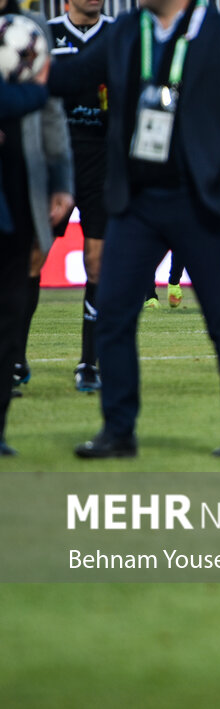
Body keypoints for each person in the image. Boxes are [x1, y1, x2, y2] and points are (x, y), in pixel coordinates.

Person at [48, 0, 220, 457]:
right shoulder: (127, 32)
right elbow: (72, 75)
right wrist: (23, 72)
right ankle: (117, 431)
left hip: (203, 204)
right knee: (115, 315)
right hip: (135, 206)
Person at [0, 44, 68, 456]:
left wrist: (61, 178)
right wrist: (40, 89)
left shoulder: (28, 31)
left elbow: (48, 114)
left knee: (9, 308)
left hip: (15, 194)